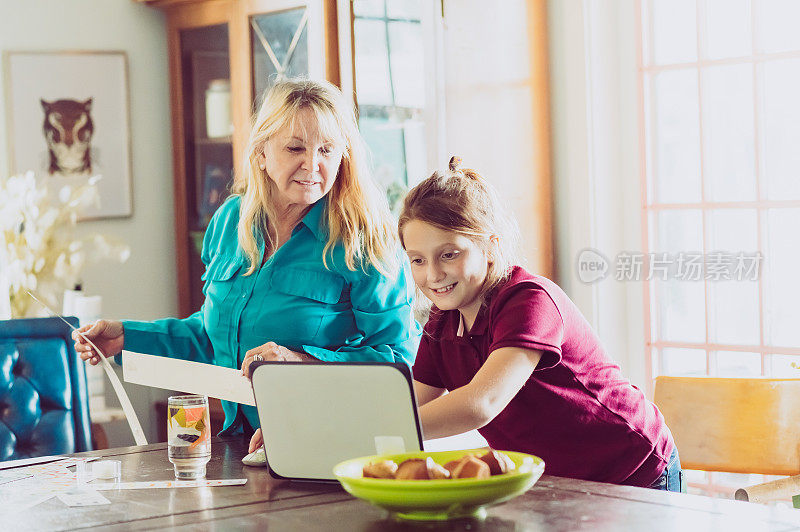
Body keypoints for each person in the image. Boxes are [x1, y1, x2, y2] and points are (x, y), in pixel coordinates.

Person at [73, 79, 421, 452]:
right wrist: (128, 337)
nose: (313, 164)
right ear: (262, 153)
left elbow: (400, 361)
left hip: (328, 446)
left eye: (327, 150)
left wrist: (301, 360)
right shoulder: (229, 222)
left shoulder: (364, 239)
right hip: (242, 447)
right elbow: (213, 336)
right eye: (295, 148)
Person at [398, 156, 681, 491]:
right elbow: (410, 403)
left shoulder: (530, 300)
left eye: (449, 254)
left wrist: (387, 428)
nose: (432, 274)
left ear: (490, 246)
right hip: (559, 483)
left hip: (634, 471)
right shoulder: (442, 322)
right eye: (417, 260)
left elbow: (481, 403)